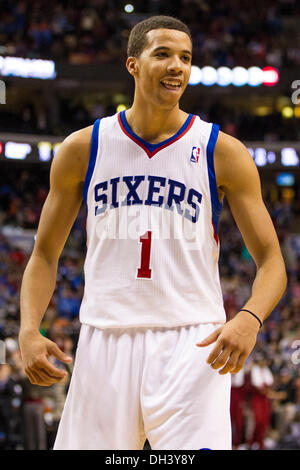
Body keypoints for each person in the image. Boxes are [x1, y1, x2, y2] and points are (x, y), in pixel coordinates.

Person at [18, 15, 287, 450]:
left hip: (193, 339)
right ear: (133, 65)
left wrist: (249, 319)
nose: (177, 66)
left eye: (185, 57)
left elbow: (273, 262)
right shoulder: (83, 148)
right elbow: (44, 255)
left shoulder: (222, 151)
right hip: (105, 335)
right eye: (162, 54)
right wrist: (29, 330)